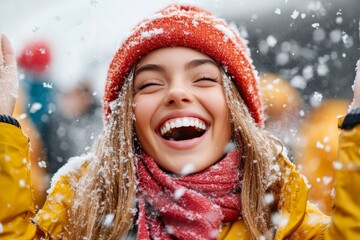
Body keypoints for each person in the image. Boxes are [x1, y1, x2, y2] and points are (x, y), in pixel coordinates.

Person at [0, 4, 359, 240]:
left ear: (237, 114)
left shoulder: (284, 217)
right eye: (151, 83)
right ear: (128, 118)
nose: (176, 93)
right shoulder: (80, 213)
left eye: (203, 79)